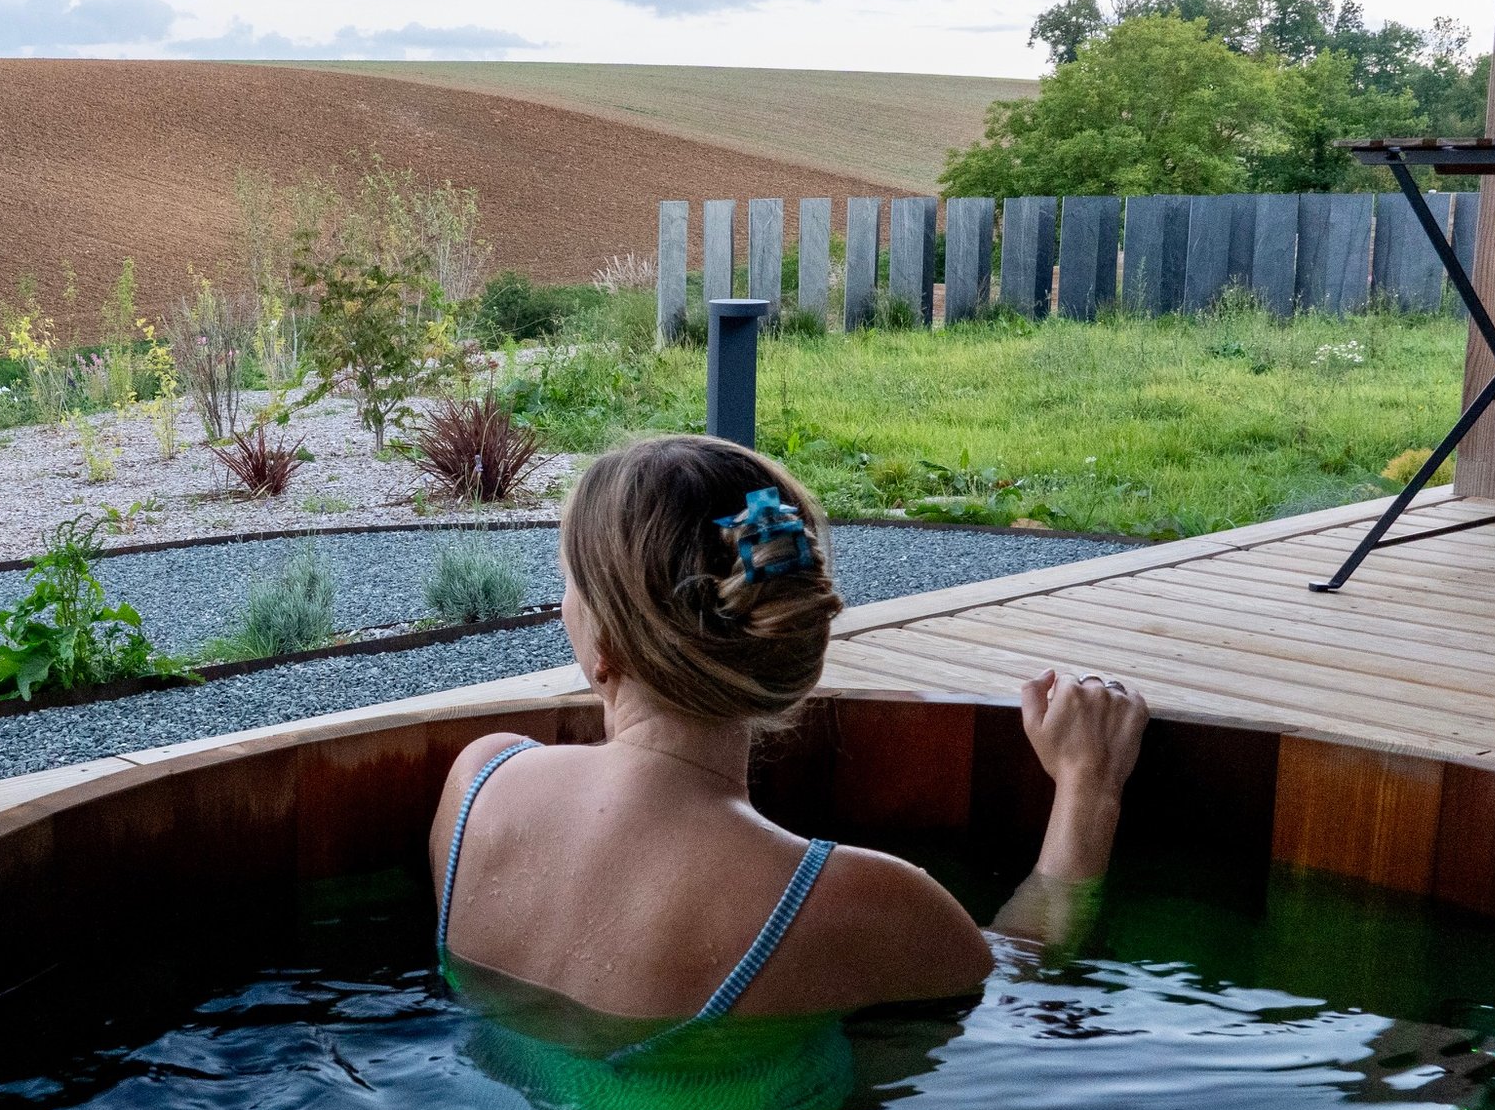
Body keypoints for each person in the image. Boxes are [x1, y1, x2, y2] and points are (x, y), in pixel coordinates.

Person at [430, 433, 1150, 1027]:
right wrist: (1089, 789)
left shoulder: (478, 788)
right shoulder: (854, 903)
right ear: (786, 633)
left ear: (606, 644)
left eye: (568, 584)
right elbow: (1023, 980)